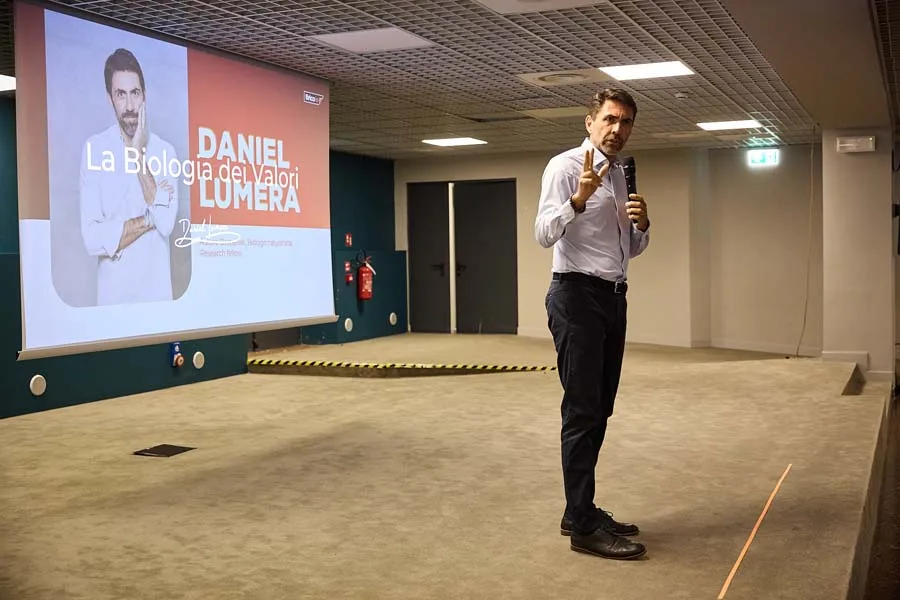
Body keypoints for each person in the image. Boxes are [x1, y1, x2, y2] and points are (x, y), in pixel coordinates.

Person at [534, 88, 651, 560]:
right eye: (610, 119)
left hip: (612, 298)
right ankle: (583, 527)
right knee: (582, 411)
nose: (617, 129)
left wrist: (642, 226)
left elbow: (628, 251)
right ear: (590, 121)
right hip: (576, 296)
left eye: (626, 122)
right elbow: (543, 234)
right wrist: (577, 200)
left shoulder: (620, 174)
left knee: (601, 407)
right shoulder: (564, 167)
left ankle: (577, 509)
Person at [79, 48, 179, 306]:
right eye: (121, 94)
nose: (130, 106)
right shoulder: (95, 149)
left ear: (144, 95)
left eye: (135, 93)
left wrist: (137, 155)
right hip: (113, 304)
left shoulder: (165, 152)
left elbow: (166, 223)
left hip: (157, 302)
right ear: (110, 98)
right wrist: (150, 216)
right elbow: (91, 240)